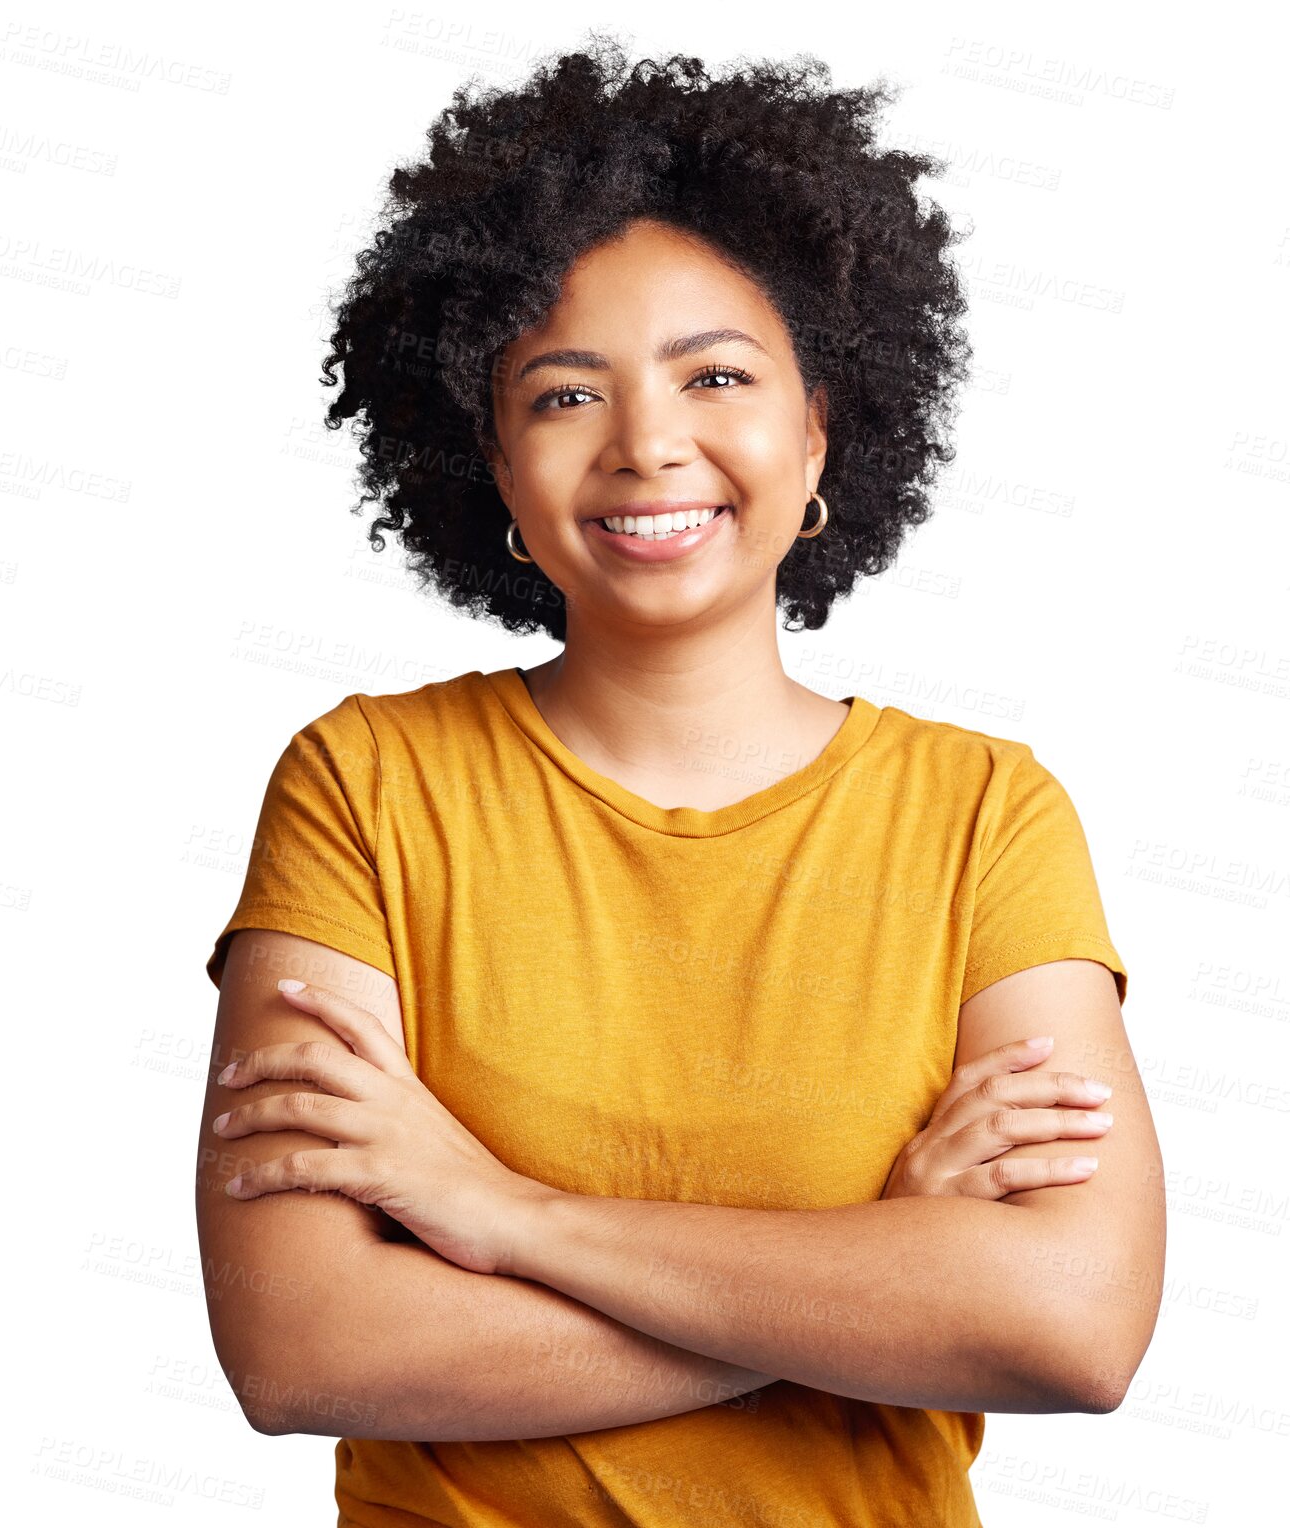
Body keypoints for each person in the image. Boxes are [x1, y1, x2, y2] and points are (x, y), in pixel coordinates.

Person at [195, 35, 1165, 1527]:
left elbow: (1070, 1327)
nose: (652, 447)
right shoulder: (367, 788)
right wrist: (872, 1277)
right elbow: (306, 1345)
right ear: (492, 465)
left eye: (717, 375)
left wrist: (505, 1219)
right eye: (565, 395)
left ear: (820, 425)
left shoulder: (984, 816)